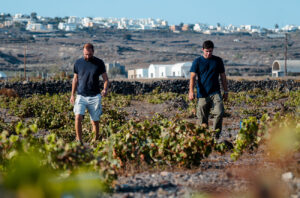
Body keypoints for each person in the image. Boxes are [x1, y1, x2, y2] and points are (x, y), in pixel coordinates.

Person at [70, 43, 109, 143]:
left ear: (93, 52)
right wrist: (72, 95)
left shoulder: (99, 63)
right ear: (83, 52)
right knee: (78, 116)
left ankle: (94, 141)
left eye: (89, 54)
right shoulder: (78, 63)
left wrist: (105, 89)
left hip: (95, 96)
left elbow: (105, 79)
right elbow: (75, 79)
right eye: (86, 54)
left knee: (95, 121)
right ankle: (79, 140)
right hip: (81, 95)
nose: (87, 56)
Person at [189, 40, 228, 138]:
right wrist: (191, 91)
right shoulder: (197, 61)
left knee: (219, 113)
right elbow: (192, 77)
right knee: (202, 118)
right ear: (202, 50)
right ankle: (204, 138)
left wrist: (226, 91)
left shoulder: (218, 61)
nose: (209, 53)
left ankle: (216, 136)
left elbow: (223, 76)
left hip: (215, 93)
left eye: (210, 51)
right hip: (202, 94)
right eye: (207, 51)